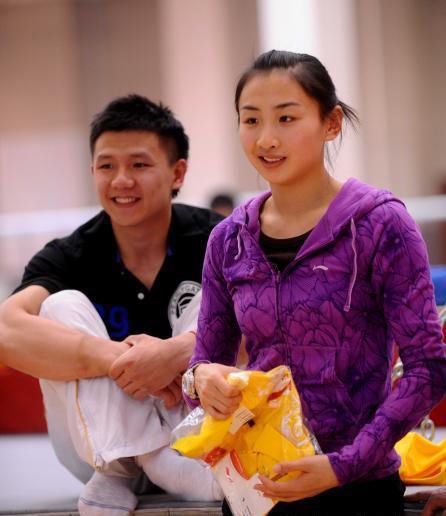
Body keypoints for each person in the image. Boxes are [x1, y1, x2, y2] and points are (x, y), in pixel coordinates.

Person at [182, 50, 446, 515]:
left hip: (355, 492)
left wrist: (343, 465)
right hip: (255, 491)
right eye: (251, 120)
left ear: (331, 123)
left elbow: (428, 368)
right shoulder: (228, 240)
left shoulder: (381, 225)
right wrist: (200, 379)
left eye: (286, 118)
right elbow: (206, 361)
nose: (266, 138)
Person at [0, 95, 223, 515]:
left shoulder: (219, 237)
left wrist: (174, 353)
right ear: (93, 172)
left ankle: (161, 460)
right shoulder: (70, 254)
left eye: (139, 165)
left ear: (178, 173)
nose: (121, 180)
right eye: (107, 166)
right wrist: (119, 359)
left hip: (195, 434)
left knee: (220, 294)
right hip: (96, 454)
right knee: (59, 307)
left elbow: (270, 319)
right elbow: (6, 330)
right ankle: (132, 464)